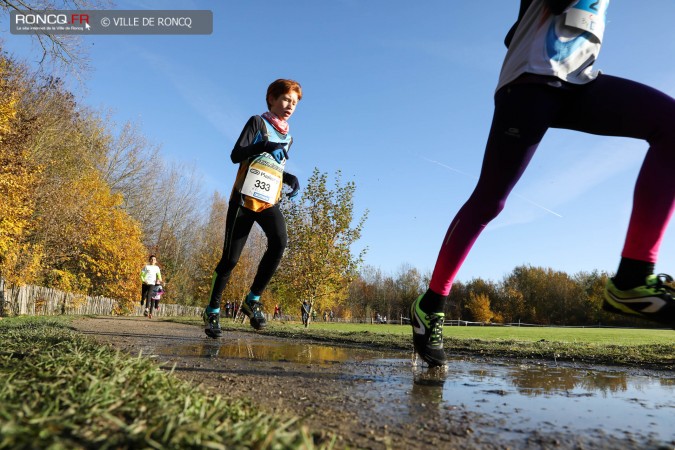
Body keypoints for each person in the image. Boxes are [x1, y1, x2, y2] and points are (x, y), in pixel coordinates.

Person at [411, 0, 675, 367]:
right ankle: (431, 303)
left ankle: (633, 278)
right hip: (533, 79)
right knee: (490, 201)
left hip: (579, 80)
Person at [203, 79, 303, 338]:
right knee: (230, 260)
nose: (289, 106)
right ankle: (212, 310)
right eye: (284, 100)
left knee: (280, 241)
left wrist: (288, 178)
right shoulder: (258, 123)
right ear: (271, 99)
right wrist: (265, 145)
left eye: (294, 103)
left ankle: (253, 299)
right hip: (243, 201)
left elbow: (272, 166)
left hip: (268, 201)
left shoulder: (289, 137)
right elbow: (236, 155)